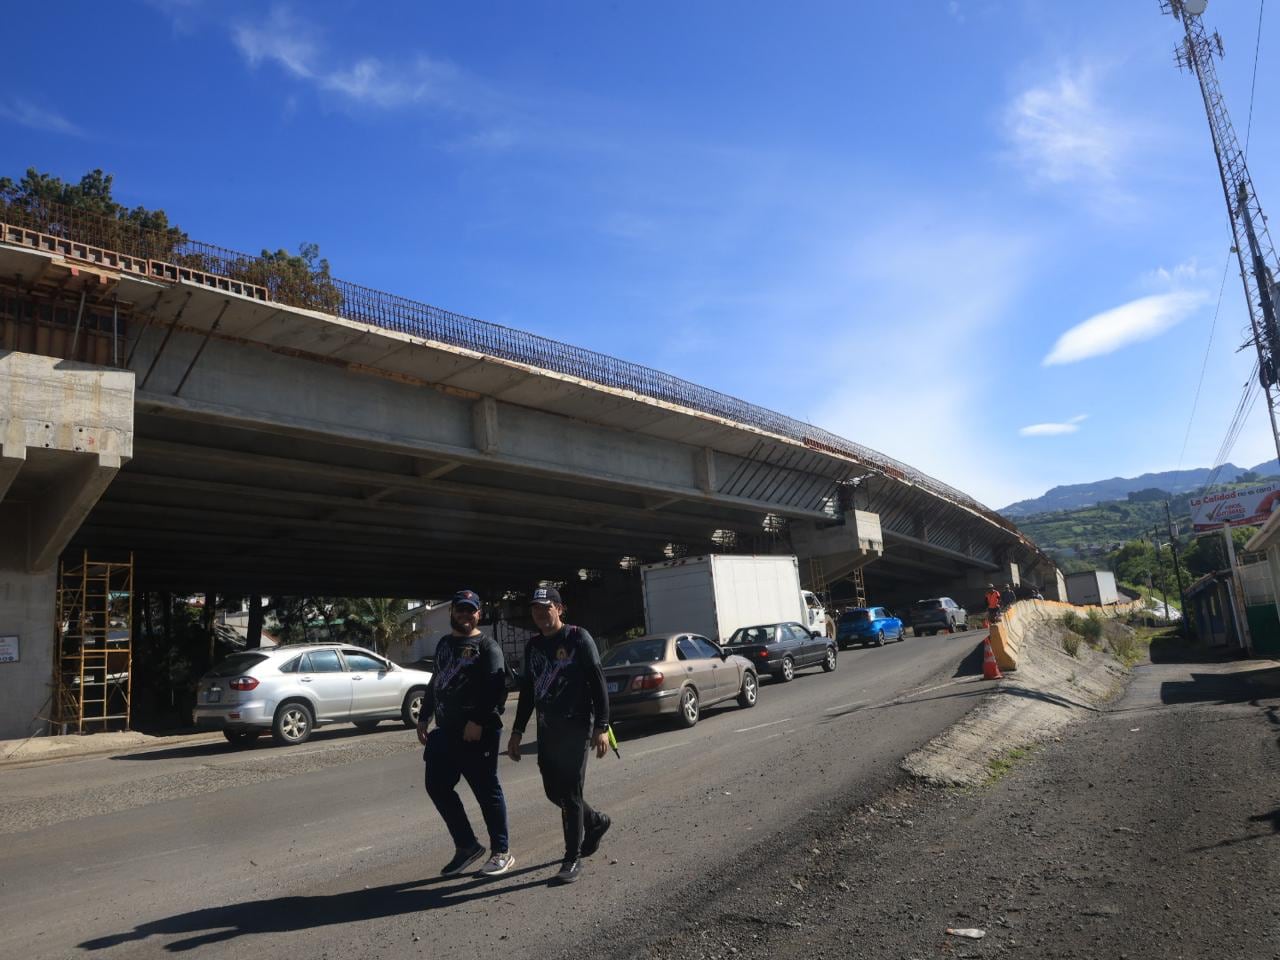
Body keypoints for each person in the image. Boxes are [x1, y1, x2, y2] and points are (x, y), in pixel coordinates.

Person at [505, 586, 611, 886]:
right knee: (554, 792)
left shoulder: (578, 638)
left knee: (571, 793)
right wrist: (516, 731)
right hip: (548, 729)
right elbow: (527, 693)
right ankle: (596, 822)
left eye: (546, 607)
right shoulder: (534, 646)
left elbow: (598, 683)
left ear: (560, 609)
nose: (540, 613)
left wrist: (602, 727)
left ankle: (571, 858)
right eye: (536, 609)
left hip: (577, 727)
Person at [417, 589, 514, 878]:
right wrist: (425, 716)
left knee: (486, 790)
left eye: (470, 610)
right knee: (437, 786)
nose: (464, 615)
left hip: (477, 732)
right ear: (452, 613)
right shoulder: (445, 644)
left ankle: (502, 852)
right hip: (445, 732)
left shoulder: (488, 646)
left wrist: (478, 720)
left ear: (478, 615)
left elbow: (498, 688)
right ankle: (467, 846)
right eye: (460, 609)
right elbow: (437, 680)